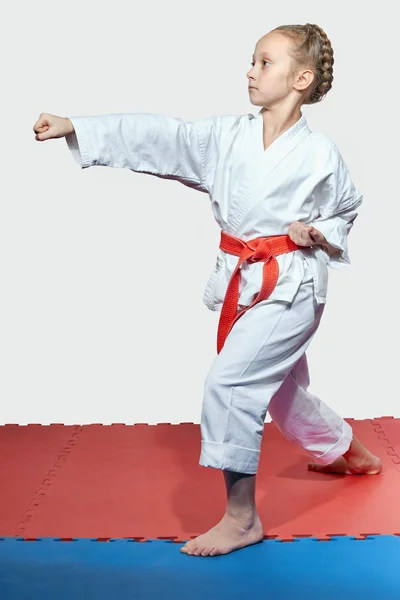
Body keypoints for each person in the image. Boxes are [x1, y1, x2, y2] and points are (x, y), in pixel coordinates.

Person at [33, 22, 382, 558]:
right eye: (252, 60)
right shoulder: (226, 137)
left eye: (265, 62)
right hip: (244, 283)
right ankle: (349, 450)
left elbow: (346, 208)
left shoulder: (319, 154)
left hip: (292, 286)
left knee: (231, 385)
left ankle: (242, 519)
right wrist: (79, 126)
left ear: (301, 78)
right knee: (281, 393)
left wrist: (318, 232)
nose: (250, 70)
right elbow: (160, 136)